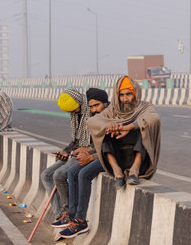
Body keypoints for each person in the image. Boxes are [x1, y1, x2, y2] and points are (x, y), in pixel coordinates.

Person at [87, 76, 161, 190]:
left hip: (139, 160)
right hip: (117, 158)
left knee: (144, 129)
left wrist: (130, 127)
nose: (125, 99)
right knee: (105, 133)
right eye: (121, 95)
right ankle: (118, 172)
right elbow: (92, 121)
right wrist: (110, 126)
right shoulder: (112, 110)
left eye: (128, 94)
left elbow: (154, 118)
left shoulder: (145, 107)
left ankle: (134, 171)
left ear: (136, 93)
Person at [58, 88, 109, 238]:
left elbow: (111, 149)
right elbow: (96, 145)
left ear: (106, 103)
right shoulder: (94, 118)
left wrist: (90, 157)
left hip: (114, 157)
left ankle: (81, 220)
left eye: (97, 106)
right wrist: (87, 153)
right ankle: (72, 215)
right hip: (101, 153)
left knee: (83, 174)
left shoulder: (112, 117)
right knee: (72, 172)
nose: (94, 110)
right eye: (91, 107)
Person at [40, 88, 91, 228]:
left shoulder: (91, 112)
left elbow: (93, 144)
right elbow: (75, 141)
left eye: (74, 110)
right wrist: (65, 152)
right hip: (74, 152)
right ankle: (60, 214)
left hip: (86, 154)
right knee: (45, 175)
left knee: (59, 174)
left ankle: (69, 213)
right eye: (70, 112)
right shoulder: (75, 115)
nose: (72, 113)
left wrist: (77, 152)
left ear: (80, 104)